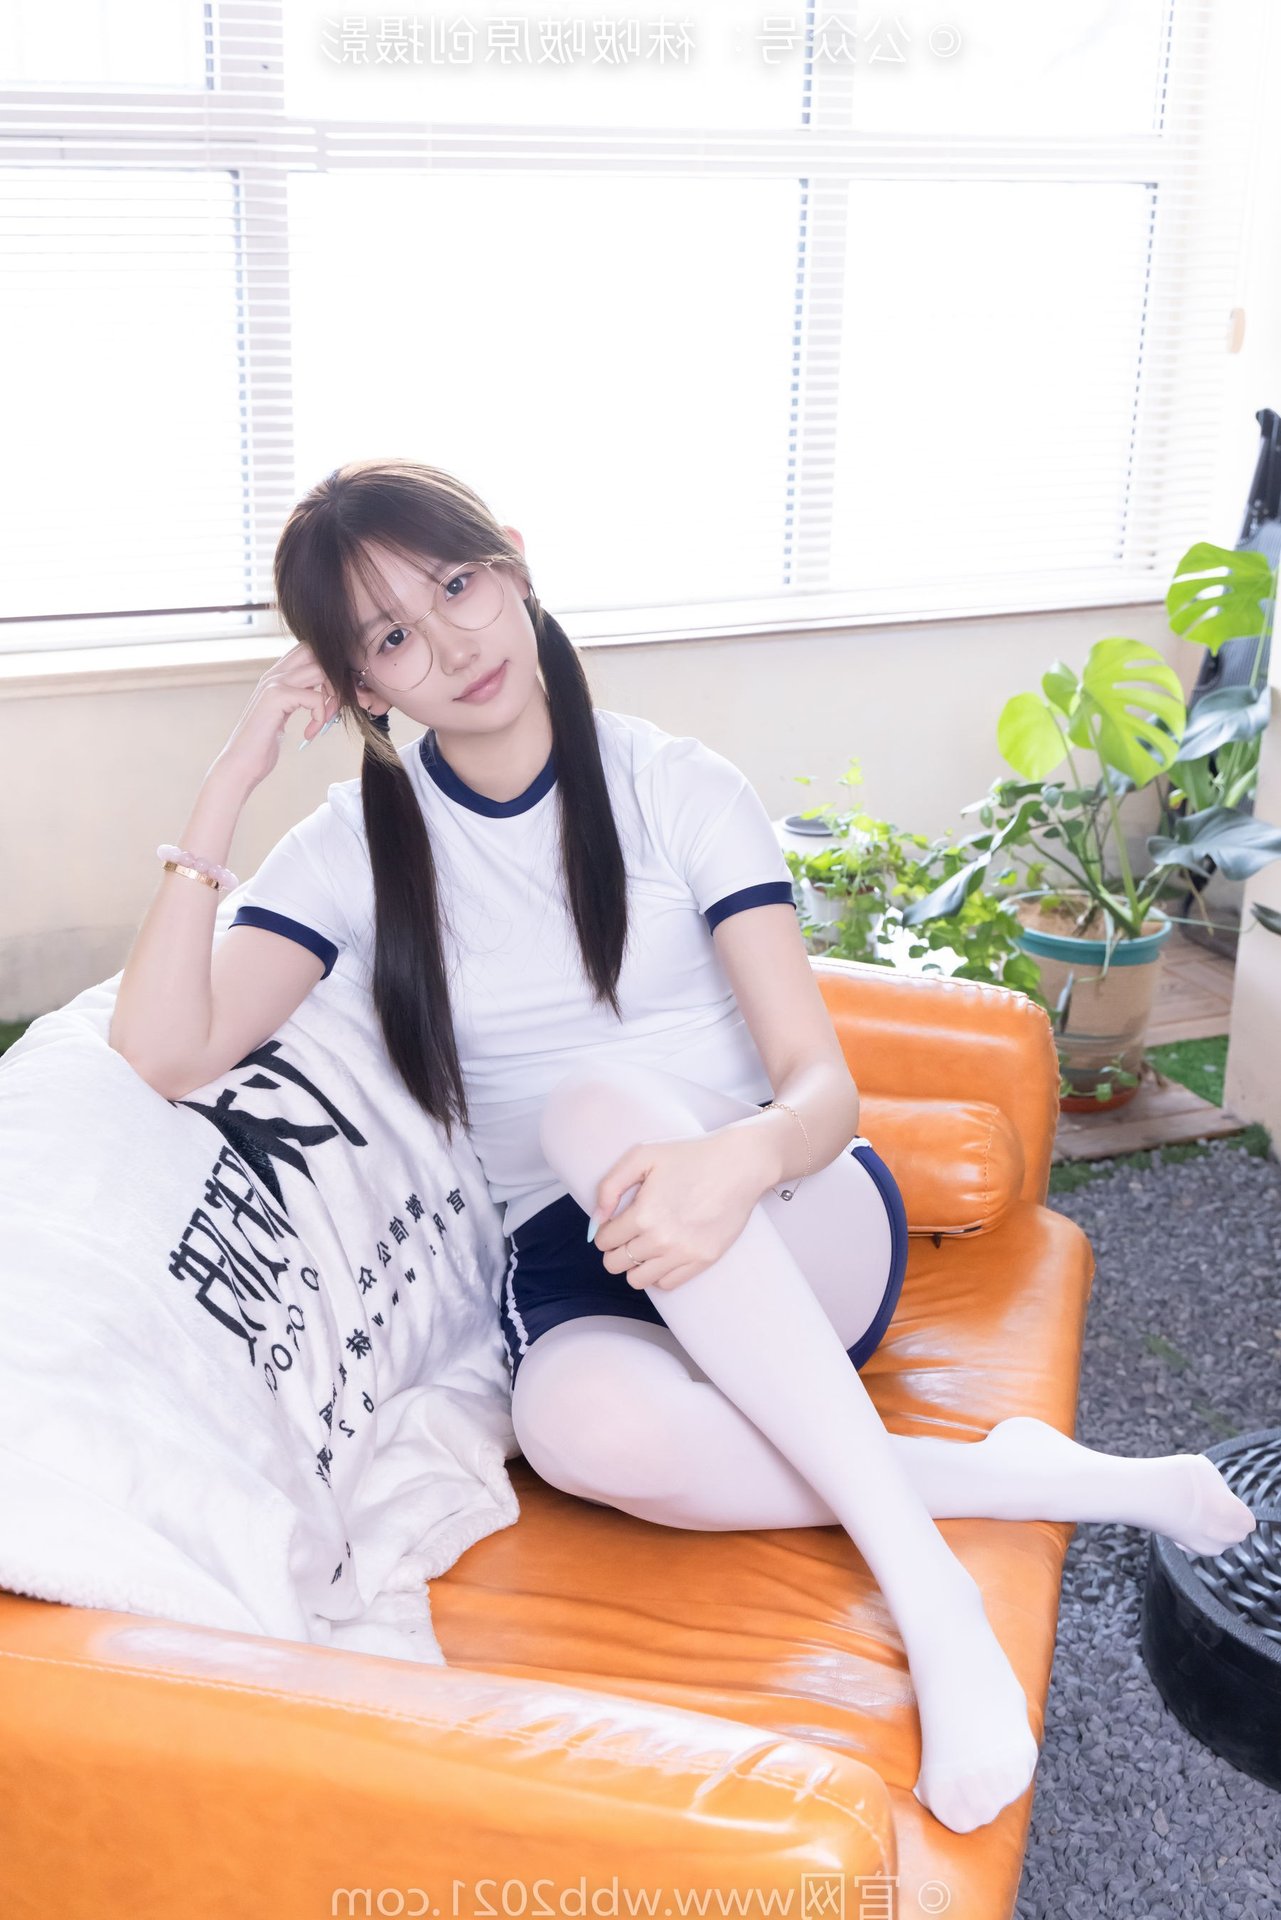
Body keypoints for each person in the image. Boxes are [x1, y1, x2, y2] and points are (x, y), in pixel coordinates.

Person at [108, 456, 1256, 1837]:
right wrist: (229, 780)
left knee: (594, 1107)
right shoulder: (355, 845)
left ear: (514, 563)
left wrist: (737, 1164)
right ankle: (1020, 1475)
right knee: (573, 1430)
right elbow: (165, 1053)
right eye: (394, 635)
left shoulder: (672, 786)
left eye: (458, 584)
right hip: (582, 1252)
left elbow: (820, 1092)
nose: (453, 643)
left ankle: (931, 1594)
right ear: (360, 685)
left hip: (788, 1206)